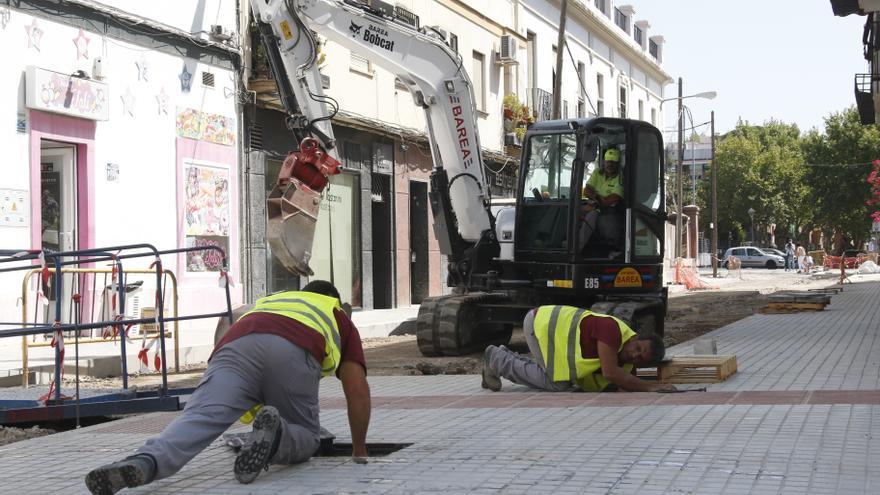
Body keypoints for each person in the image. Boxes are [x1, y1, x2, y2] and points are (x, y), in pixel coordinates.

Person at [84, 281, 371, 494]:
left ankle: (145, 461)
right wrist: (359, 451)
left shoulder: (271, 300)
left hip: (234, 346)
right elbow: (356, 390)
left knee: (198, 419)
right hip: (293, 349)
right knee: (307, 436)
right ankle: (277, 434)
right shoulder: (335, 315)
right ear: (334, 300)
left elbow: (227, 323)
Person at [482, 305, 676, 393]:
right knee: (557, 384)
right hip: (540, 325)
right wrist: (651, 387)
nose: (634, 355)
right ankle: (497, 360)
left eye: (640, 359)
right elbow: (610, 373)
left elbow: (623, 382)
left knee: (559, 380)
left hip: (550, 333)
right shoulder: (612, 331)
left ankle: (501, 358)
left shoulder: (625, 364)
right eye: (638, 348)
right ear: (636, 337)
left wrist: (630, 387)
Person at [579, 148, 625, 253]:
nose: (610, 165)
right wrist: (598, 198)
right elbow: (586, 191)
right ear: (604, 162)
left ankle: (576, 248)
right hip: (594, 203)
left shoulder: (621, 178)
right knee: (568, 208)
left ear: (618, 164)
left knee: (591, 216)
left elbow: (609, 201)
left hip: (609, 210)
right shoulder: (597, 172)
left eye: (613, 162)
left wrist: (595, 202)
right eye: (608, 161)